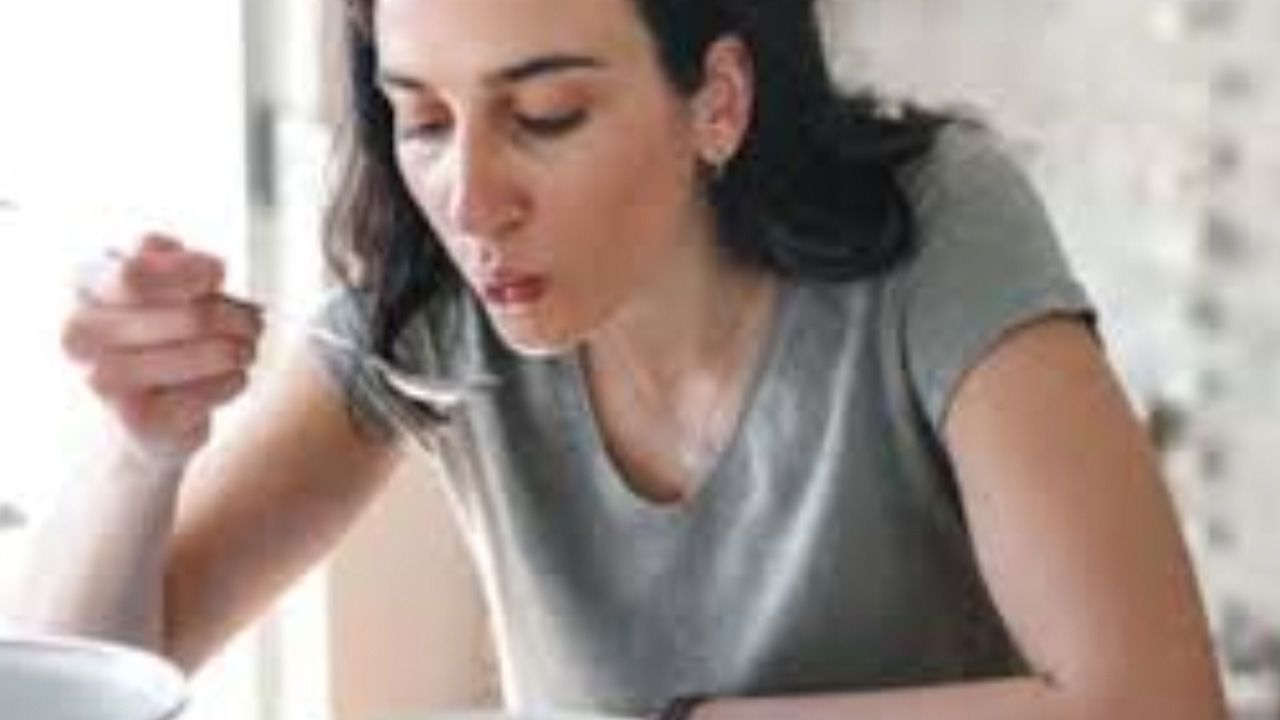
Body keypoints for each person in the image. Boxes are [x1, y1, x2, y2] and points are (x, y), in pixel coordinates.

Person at [14, 0, 1228, 718]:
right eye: (421, 119)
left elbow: (1153, 702)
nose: (469, 201)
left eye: (544, 116)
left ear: (717, 100)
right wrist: (140, 452)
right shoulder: (429, 308)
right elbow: (79, 688)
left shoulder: (933, 223)